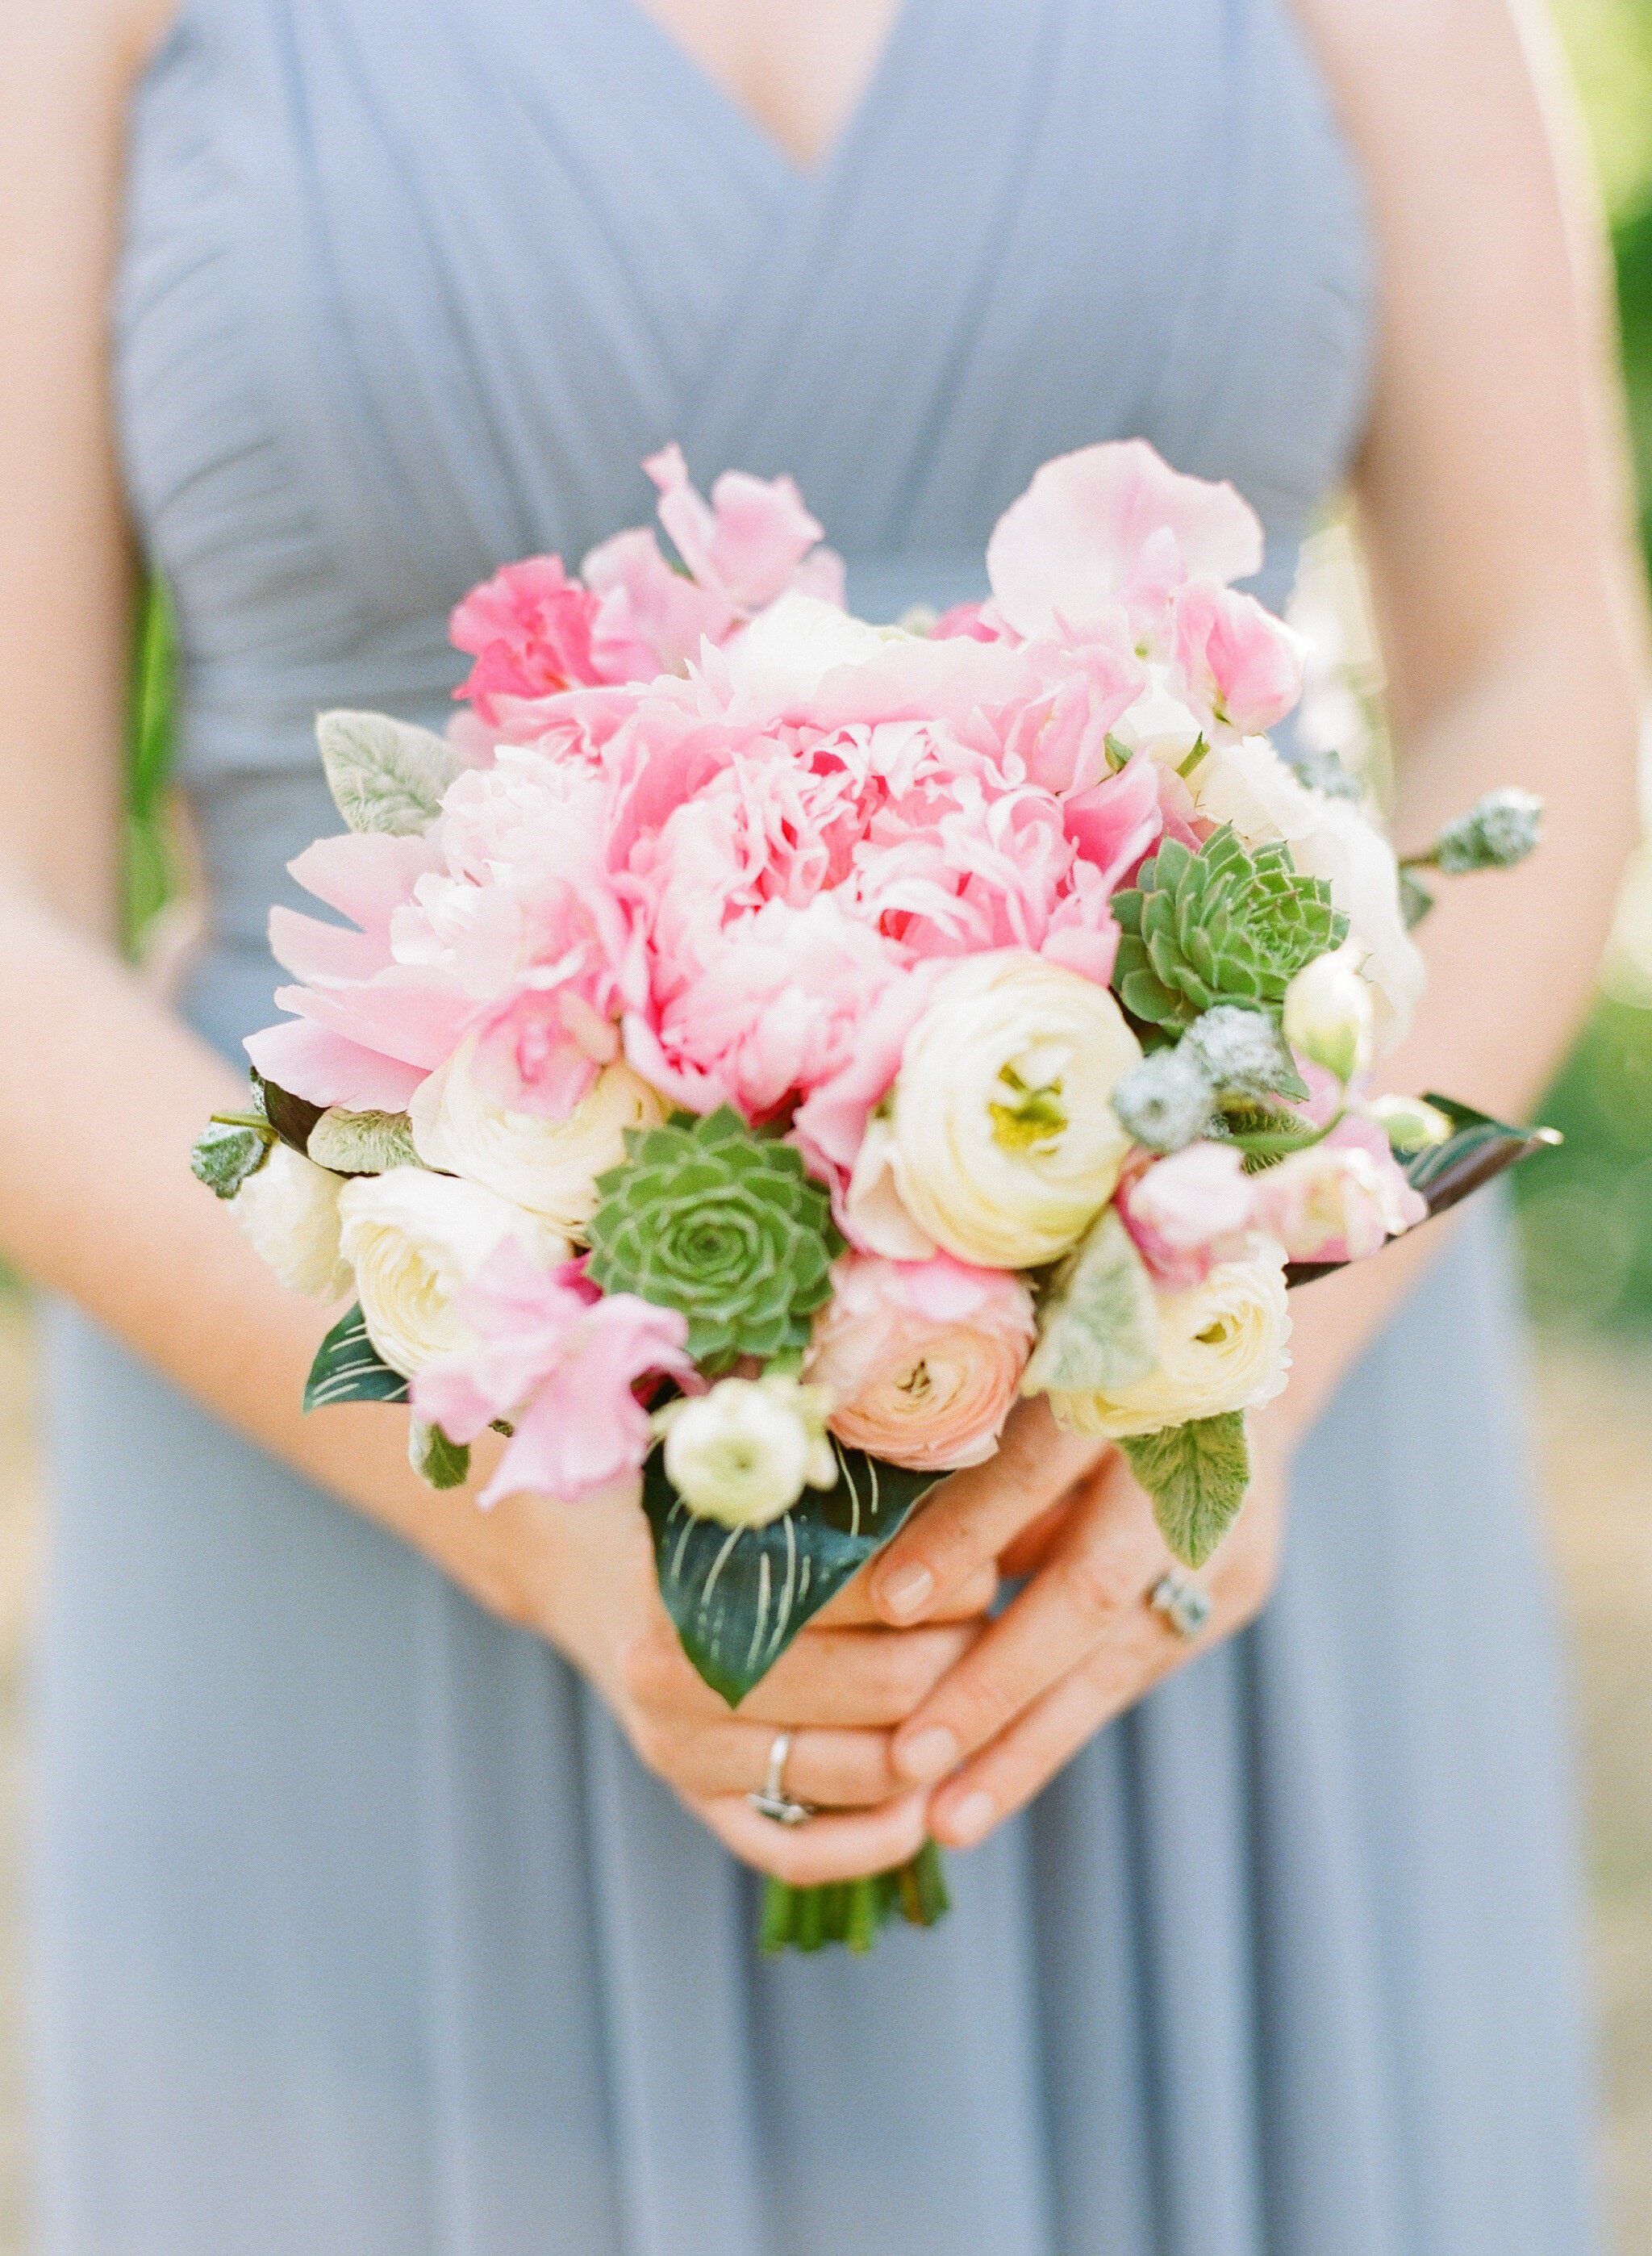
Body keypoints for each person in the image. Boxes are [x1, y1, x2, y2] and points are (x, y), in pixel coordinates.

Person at [2, 0, 1644, 2247]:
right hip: (371, 1520)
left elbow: (1540, 660)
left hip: (1206, 1501)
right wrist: (521, 1520)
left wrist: (1228, 1391)